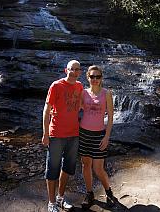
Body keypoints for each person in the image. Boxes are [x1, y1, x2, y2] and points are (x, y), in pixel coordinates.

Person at [42, 60, 83, 212]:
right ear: (66, 70)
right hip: (56, 134)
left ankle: (60, 197)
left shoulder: (79, 86)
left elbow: (80, 106)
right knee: (52, 169)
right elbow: (47, 111)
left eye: (77, 69)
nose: (74, 72)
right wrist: (45, 133)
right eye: (72, 69)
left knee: (67, 168)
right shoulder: (56, 85)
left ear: (80, 72)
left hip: (74, 135)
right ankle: (51, 203)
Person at [79, 65, 116, 210]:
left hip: (99, 134)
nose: (95, 79)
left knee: (98, 169)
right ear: (88, 77)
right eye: (92, 76)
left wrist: (107, 137)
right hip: (83, 134)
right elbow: (76, 108)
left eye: (98, 77)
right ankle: (89, 194)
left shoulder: (106, 93)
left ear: (101, 78)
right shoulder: (83, 93)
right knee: (85, 165)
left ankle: (108, 191)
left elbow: (111, 118)